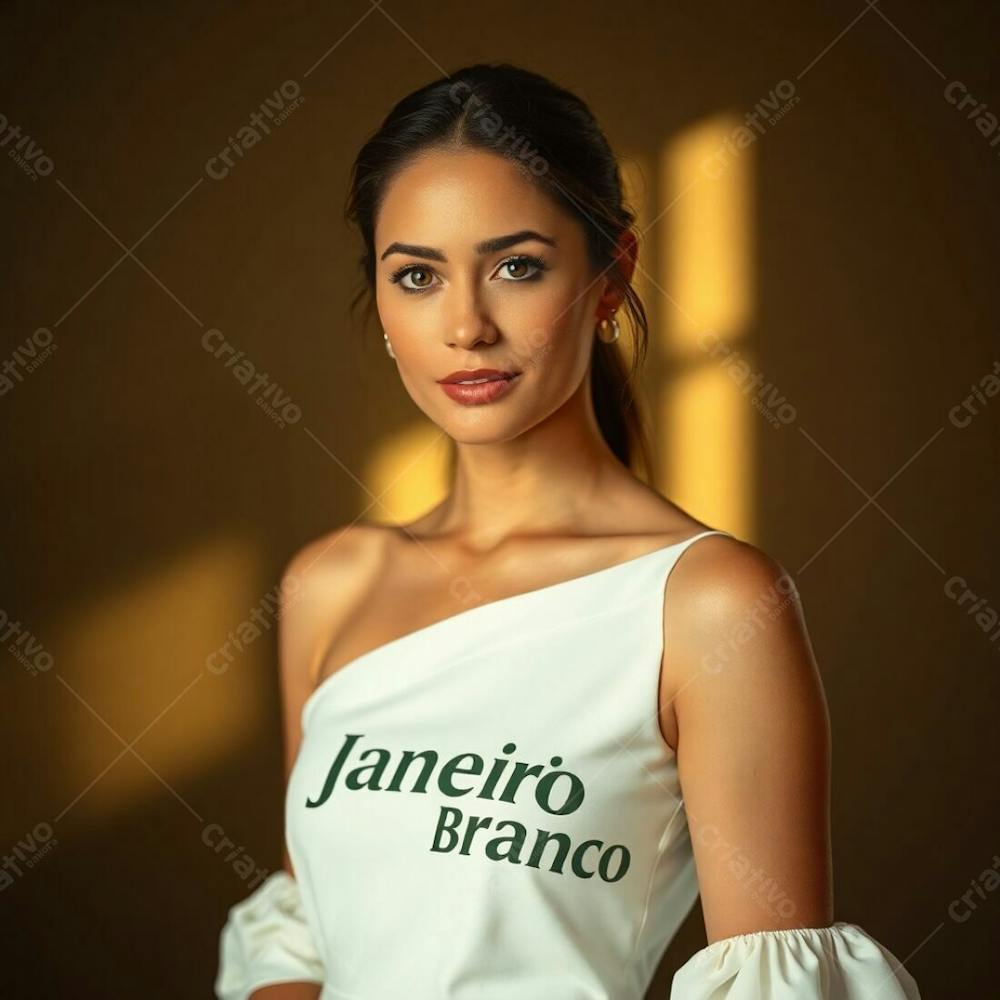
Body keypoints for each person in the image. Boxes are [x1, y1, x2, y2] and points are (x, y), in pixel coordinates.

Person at [215, 63, 922, 999]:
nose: (465, 326)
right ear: (382, 305)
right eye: (418, 276)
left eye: (517, 266)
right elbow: (305, 935)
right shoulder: (330, 584)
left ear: (609, 275)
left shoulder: (706, 604)